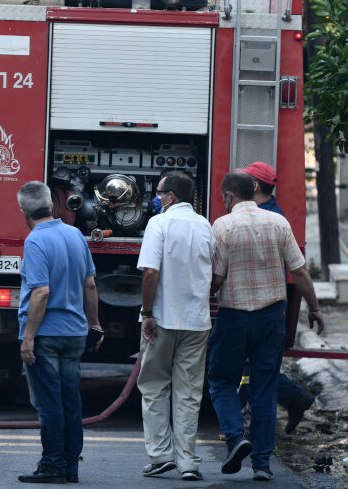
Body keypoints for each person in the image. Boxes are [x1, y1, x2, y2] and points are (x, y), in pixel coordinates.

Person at [208, 171, 324, 481]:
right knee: (264, 387)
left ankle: (236, 437)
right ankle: (262, 464)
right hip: (273, 316)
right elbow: (300, 272)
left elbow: (217, 279)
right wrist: (314, 308)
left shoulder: (223, 226)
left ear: (229, 197)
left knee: (221, 380)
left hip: (234, 316)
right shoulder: (279, 223)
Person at [15, 181, 102, 484]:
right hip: (75, 333)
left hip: (46, 336)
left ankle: (52, 465)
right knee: (70, 401)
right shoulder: (76, 234)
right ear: (52, 205)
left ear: (23, 210)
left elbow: (40, 293)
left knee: (49, 404)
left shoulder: (35, 242)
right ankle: (70, 466)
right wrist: (95, 325)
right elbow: (90, 285)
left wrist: (28, 338)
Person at [136, 171, 215, 482]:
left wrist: (146, 312)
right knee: (189, 392)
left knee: (154, 386)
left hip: (163, 319)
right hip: (197, 321)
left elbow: (150, 272)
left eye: (159, 192)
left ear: (170, 196)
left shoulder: (159, 223)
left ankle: (160, 456)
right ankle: (188, 463)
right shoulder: (206, 225)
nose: (157, 197)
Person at [236, 161, 318, 435]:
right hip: (270, 305)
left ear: (255, 186)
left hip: (255, 305)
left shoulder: (263, 219)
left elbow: (300, 270)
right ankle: (292, 399)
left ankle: (254, 430)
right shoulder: (276, 217)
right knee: (259, 365)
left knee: (253, 368)